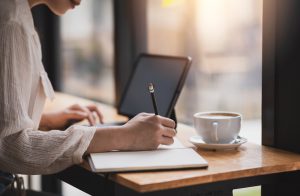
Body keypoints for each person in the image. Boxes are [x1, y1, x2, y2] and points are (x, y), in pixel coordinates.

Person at [0, 0, 176, 194]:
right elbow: (11, 146)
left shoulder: (15, 12)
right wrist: (125, 136)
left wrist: (44, 120)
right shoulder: (11, 23)